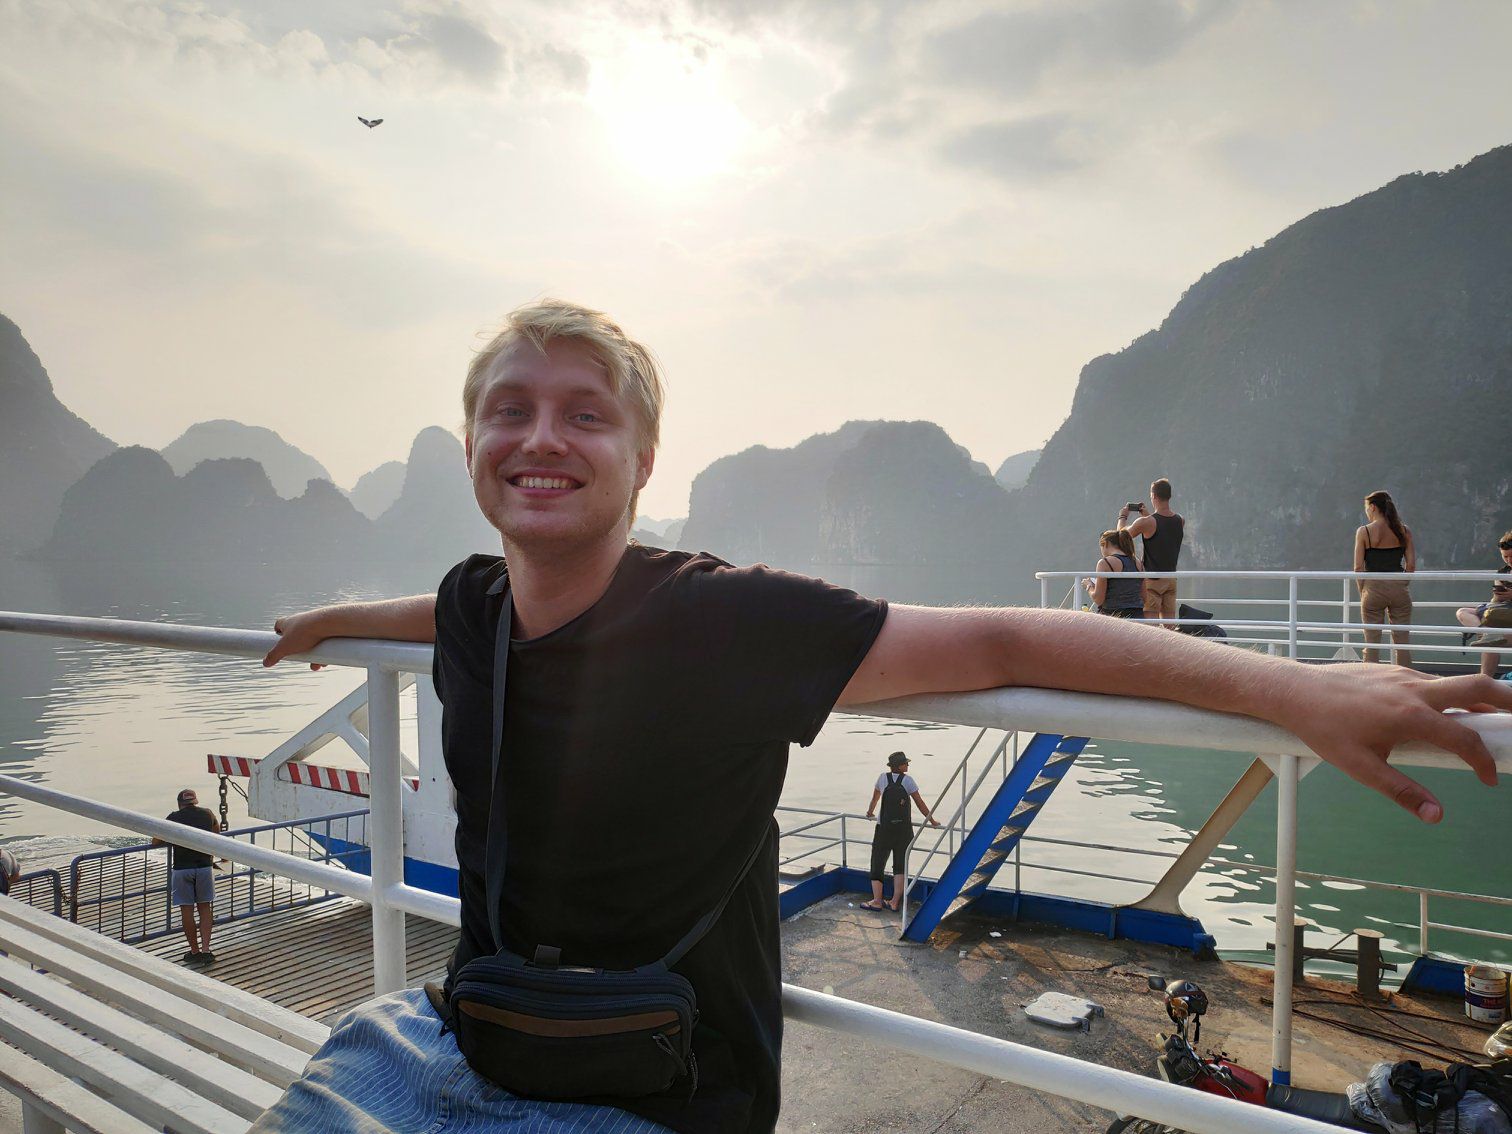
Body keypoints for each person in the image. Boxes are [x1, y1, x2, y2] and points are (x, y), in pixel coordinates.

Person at [256, 299, 1507, 1134]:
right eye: (510, 411)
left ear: (644, 461)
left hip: (653, 1094)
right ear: (470, 445)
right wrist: (334, 618)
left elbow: (1009, 640)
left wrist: (1294, 688)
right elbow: (455, 608)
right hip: (456, 1039)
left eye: (586, 414)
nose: (542, 437)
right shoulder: (472, 607)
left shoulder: (722, 621)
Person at [861, 752, 940, 911]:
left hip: (883, 829)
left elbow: (875, 798)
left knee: (877, 863)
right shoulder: (908, 781)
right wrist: (932, 821)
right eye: (905, 763)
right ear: (899, 766)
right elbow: (920, 803)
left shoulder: (882, 778)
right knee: (900, 865)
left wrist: (870, 812)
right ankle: (894, 902)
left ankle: (877, 901)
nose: (908, 765)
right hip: (904, 830)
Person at [152, 788, 220, 965]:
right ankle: (206, 950)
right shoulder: (207, 813)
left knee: (187, 910)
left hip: (182, 869)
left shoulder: (173, 817)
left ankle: (194, 951)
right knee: (204, 908)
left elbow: (156, 841)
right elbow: (216, 832)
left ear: (179, 804)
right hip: (204, 867)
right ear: (195, 801)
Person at [1354, 490, 1416, 667]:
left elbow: (1358, 568)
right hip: (1399, 589)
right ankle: (1405, 677)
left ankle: (1371, 677)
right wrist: (1402, 583)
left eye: (1367, 508)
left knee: (1372, 643)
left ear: (1373, 507)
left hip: (1372, 589)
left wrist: (1363, 590)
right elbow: (1411, 565)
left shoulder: (1364, 532)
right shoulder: (1404, 530)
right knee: (1402, 642)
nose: (1367, 512)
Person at [1119, 478, 1184, 627]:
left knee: (1151, 628)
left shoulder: (1146, 522)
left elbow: (1121, 536)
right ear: (1169, 496)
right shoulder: (1180, 520)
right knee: (1169, 627)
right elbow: (1162, 534)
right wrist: (1147, 516)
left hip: (1152, 580)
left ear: (1153, 496)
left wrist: (1122, 516)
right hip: (1170, 579)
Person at [1456, 529, 1512, 677]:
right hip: (1502, 612)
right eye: (1505, 556)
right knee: (1462, 612)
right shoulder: (1503, 572)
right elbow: (1495, 602)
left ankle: (1485, 678)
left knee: (1491, 641)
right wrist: (1498, 595)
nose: (1509, 560)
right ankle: (1486, 633)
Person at [1084, 529, 1145, 618]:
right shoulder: (1138, 563)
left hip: (1112, 616)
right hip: (1137, 616)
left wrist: (1089, 586)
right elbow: (1144, 597)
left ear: (1105, 544)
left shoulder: (1105, 563)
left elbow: (1098, 599)